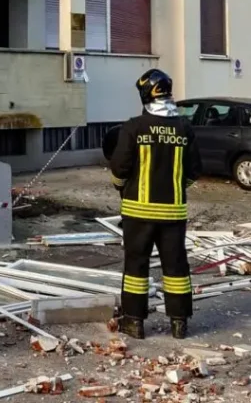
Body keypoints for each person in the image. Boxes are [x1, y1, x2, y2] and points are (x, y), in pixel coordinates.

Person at [110, 68, 201, 340]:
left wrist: (122, 188)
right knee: (176, 267)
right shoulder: (184, 128)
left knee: (136, 267)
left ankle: (134, 322)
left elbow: (119, 168)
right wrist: (175, 188)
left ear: (145, 94)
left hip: (138, 212)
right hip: (173, 213)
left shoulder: (134, 127)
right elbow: (194, 171)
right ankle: (179, 324)